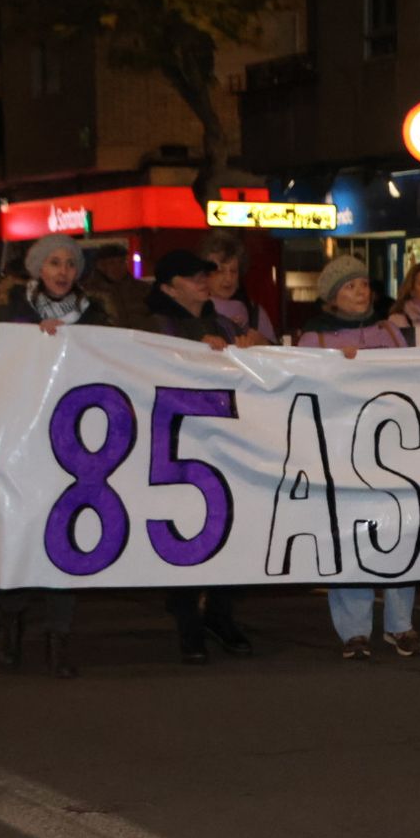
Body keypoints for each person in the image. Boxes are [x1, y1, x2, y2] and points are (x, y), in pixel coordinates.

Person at [0, 235, 112, 677]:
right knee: (17, 538)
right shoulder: (8, 320)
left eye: (70, 263)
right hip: (17, 446)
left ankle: (58, 642)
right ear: (37, 269)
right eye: (53, 263)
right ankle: (11, 629)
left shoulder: (97, 318)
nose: (63, 271)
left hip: (74, 449)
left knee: (66, 541)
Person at [297, 255, 420, 660]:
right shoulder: (313, 339)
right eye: (350, 286)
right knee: (350, 536)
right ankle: (354, 630)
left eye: (364, 285)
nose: (360, 292)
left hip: (390, 449)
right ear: (333, 295)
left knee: (401, 533)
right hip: (339, 450)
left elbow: (415, 377)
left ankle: (400, 625)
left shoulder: (391, 330)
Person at [139, 249, 253, 663]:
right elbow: (146, 367)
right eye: (192, 277)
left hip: (223, 440)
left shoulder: (223, 322)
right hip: (176, 444)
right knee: (184, 531)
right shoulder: (153, 325)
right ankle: (189, 618)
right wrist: (192, 350)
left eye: (204, 275)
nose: (204, 282)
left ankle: (220, 614)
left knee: (228, 530)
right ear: (169, 287)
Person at [199, 230, 277, 344]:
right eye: (220, 271)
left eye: (233, 271)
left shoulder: (254, 313)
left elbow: (276, 357)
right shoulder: (193, 309)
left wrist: (262, 342)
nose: (228, 278)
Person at [82, 242, 149, 328]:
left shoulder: (143, 289)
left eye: (121, 262)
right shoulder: (89, 292)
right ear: (100, 265)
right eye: (111, 263)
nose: (118, 267)